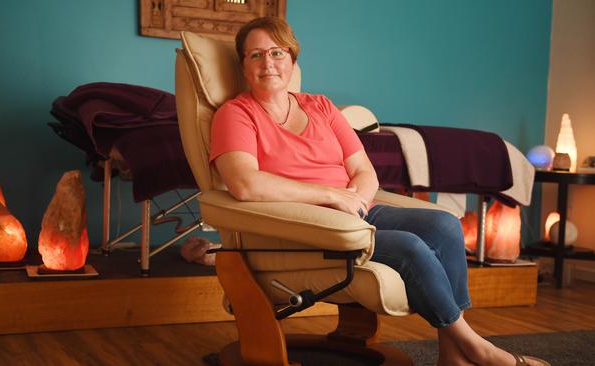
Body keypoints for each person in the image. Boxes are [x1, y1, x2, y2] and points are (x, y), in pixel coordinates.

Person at [209, 16, 549, 366]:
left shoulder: (321, 106)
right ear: (243, 66)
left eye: (277, 52)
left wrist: (354, 200)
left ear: (293, 60)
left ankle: (451, 354)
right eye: (256, 55)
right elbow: (245, 183)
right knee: (410, 246)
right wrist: (330, 196)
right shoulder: (235, 115)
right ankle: (478, 348)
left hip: (353, 210)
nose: (268, 63)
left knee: (445, 224)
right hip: (303, 224)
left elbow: (363, 169)